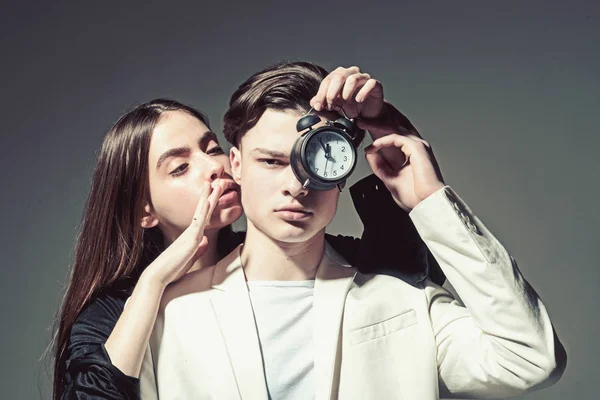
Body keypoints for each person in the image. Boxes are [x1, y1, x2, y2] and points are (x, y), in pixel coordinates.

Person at [139, 62, 567, 399]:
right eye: (271, 162)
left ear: (342, 170)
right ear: (235, 165)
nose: (298, 184)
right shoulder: (171, 311)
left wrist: (430, 199)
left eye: (318, 159)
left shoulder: (402, 298)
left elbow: (530, 359)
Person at [50, 93, 440, 399]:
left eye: (211, 148)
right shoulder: (112, 313)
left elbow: (416, 284)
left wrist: (385, 126)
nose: (212, 168)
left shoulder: (288, 254)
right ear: (144, 211)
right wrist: (153, 282)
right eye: (180, 167)